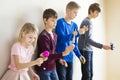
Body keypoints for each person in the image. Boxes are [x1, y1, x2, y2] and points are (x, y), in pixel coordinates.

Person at [35, 8, 74, 80]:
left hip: (53, 68)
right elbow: (48, 54)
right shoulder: (43, 36)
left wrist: (59, 59)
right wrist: (63, 53)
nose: (55, 23)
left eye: (55, 21)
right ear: (45, 20)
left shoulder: (55, 35)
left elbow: (53, 51)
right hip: (44, 69)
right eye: (52, 20)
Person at [78, 3, 111, 80]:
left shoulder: (88, 21)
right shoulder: (87, 22)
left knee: (89, 74)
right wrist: (102, 46)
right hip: (84, 50)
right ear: (91, 11)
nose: (98, 15)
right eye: (96, 12)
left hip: (88, 50)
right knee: (87, 75)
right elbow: (88, 40)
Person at [55, 1, 86, 80]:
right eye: (74, 12)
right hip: (61, 58)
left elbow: (74, 44)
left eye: (77, 13)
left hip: (70, 59)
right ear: (68, 10)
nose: (76, 15)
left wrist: (79, 55)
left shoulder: (75, 25)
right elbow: (61, 39)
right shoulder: (60, 22)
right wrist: (76, 33)